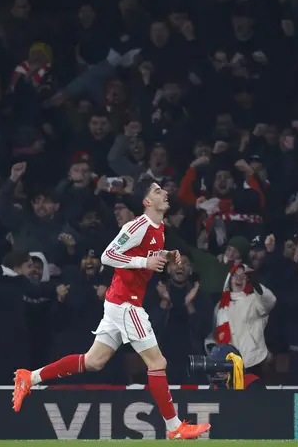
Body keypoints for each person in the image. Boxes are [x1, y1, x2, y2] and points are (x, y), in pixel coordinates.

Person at [11, 179, 210, 440]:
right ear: (147, 201)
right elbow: (108, 255)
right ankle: (174, 427)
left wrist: (166, 255)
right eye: (157, 191)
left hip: (121, 301)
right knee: (157, 362)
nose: (164, 193)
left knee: (93, 361)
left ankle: (30, 378)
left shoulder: (159, 228)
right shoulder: (137, 226)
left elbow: (145, 255)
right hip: (126, 303)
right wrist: (144, 262)